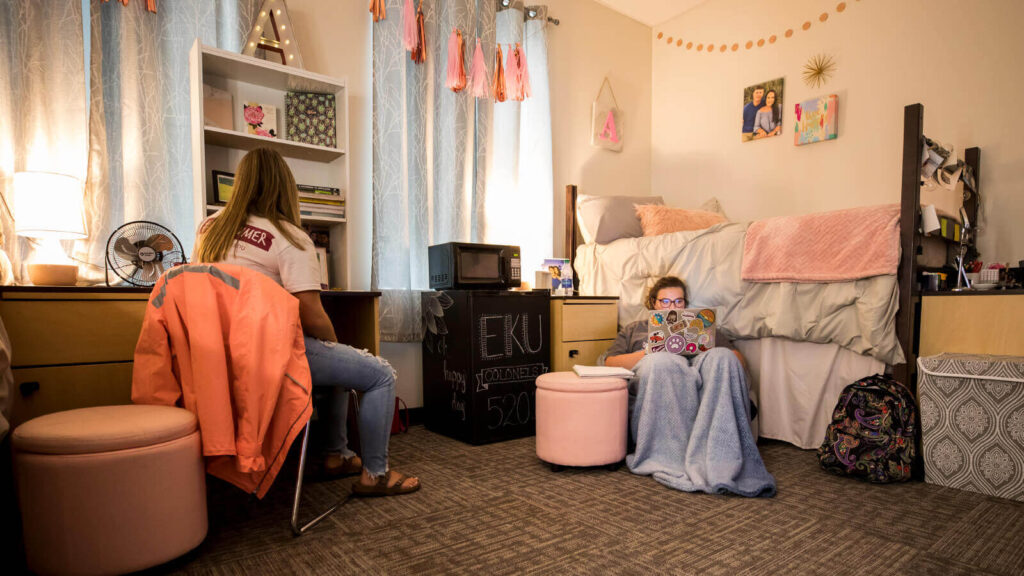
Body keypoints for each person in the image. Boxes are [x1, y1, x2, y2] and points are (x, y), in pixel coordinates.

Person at [195, 148, 419, 497]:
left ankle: (336, 455)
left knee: (340, 367)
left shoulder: (210, 229)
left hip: (217, 358)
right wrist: (336, 344)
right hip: (270, 356)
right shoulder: (289, 236)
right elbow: (311, 315)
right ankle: (376, 474)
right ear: (285, 187)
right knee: (379, 374)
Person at [602, 276, 775, 497]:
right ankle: (669, 455)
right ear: (654, 303)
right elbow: (610, 362)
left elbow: (737, 362)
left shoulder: (700, 326)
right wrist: (649, 352)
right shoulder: (635, 329)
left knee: (722, 357)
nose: (672, 306)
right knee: (663, 362)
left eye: (678, 302)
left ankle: (720, 455)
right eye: (665, 302)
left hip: (701, 376)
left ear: (685, 304)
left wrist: (701, 346)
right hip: (659, 375)